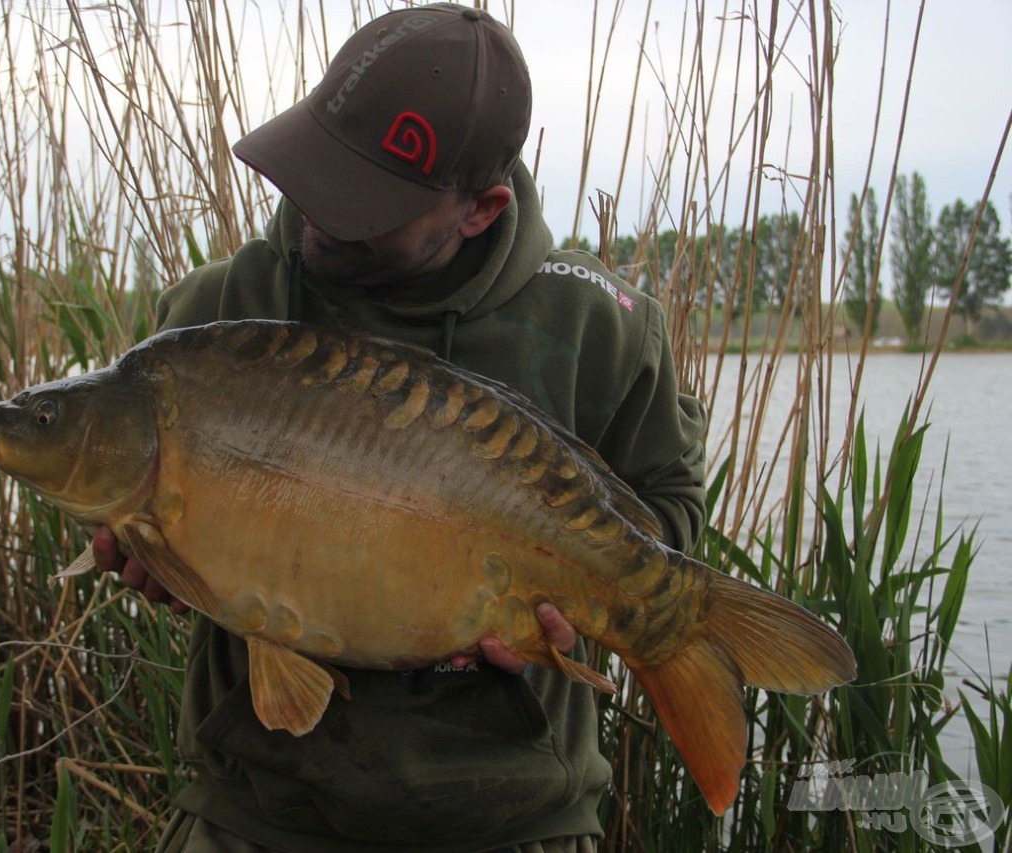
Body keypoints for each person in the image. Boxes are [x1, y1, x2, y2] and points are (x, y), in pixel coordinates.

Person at [93, 4, 706, 850]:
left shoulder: (598, 329)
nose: (317, 213)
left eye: (363, 205)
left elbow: (670, 506)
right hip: (257, 812)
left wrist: (592, 590)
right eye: (322, 170)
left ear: (480, 210)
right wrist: (170, 562)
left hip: (514, 820)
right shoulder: (217, 317)